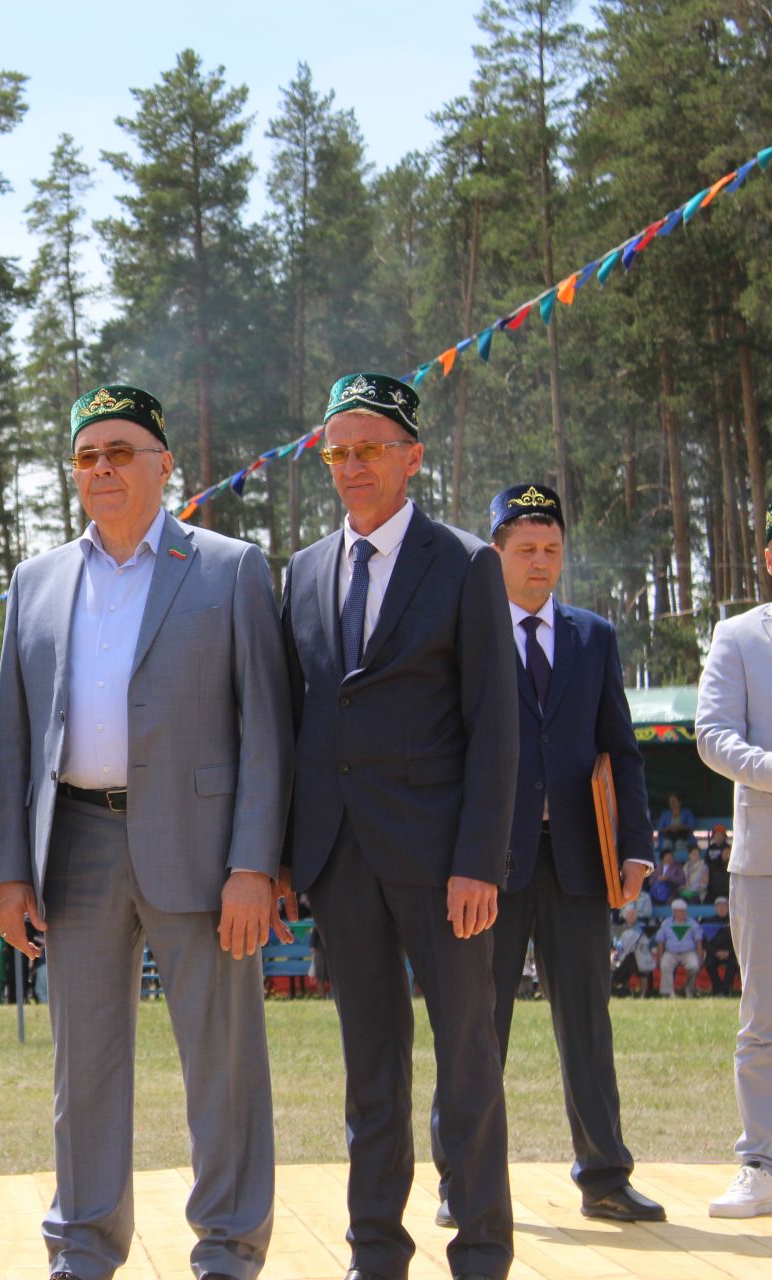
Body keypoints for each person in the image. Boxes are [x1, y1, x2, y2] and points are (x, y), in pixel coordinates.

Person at [0, 383, 292, 1280]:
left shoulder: (231, 567)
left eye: (123, 451)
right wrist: (10, 871)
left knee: (223, 1060)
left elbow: (266, 732)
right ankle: (82, 1246)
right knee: (82, 1065)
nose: (104, 469)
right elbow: (14, 735)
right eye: (88, 455)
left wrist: (253, 865)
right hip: (74, 844)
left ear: (166, 465)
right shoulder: (35, 581)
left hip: (204, 854)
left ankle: (230, 1248)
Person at [278, 372, 517, 1280]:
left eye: (370, 447)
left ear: (412, 457)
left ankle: (483, 1251)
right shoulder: (301, 571)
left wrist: (480, 863)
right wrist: (294, 855)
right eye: (336, 451)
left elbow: (496, 728)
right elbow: (301, 724)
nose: (351, 465)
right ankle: (375, 1251)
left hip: (442, 863)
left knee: (466, 1064)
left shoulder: (464, 563)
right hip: (341, 863)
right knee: (369, 1073)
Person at [426, 484, 662, 1227]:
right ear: (494, 553)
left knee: (588, 1024)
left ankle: (604, 1176)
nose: (539, 563)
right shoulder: (464, 635)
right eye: (524, 548)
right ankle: (460, 1182)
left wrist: (636, 848)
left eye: (552, 549)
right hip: (487, 864)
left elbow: (620, 751)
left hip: (579, 864)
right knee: (474, 1028)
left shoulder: (593, 636)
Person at [696, 491, 772, 1219]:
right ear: (769, 561)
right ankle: (759, 1163)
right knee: (765, 1020)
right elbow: (712, 735)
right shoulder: (738, 635)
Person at [653, 899, 703, 998]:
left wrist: (700, 957)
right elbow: (660, 942)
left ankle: (689, 991)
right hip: (670, 952)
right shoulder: (666, 923)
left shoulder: (692, 923)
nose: (682, 913)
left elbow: (698, 941)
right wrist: (659, 957)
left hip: (688, 952)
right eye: (680, 911)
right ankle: (668, 993)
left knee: (694, 966)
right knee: (665, 965)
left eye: (684, 910)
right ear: (674, 912)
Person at [611, 906, 656, 997]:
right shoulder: (618, 929)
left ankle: (616, 982)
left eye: (633, 914)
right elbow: (616, 945)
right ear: (624, 915)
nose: (632, 916)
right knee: (628, 959)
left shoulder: (642, 928)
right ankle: (620, 985)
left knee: (631, 958)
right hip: (622, 957)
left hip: (641, 957)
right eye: (629, 914)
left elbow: (647, 944)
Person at [705, 898, 738, 996]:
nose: (722, 908)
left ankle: (724, 990)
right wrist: (716, 952)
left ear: (728, 908)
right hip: (715, 952)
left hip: (730, 952)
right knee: (709, 964)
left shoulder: (734, 922)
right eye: (719, 906)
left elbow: (738, 940)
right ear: (716, 908)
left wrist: (729, 952)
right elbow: (705, 942)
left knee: (733, 964)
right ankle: (717, 988)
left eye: (724, 906)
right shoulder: (709, 922)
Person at [654, 794, 697, 859]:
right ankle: (667, 865)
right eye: (670, 802)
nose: (672, 803)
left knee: (679, 844)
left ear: (679, 802)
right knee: (667, 844)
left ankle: (681, 864)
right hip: (669, 837)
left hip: (683, 837)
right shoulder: (665, 814)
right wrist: (670, 828)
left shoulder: (687, 813)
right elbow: (660, 829)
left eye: (674, 801)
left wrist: (680, 827)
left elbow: (692, 825)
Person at [706, 826, 733, 901]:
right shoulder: (711, 848)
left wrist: (720, 860)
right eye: (716, 835)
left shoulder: (728, 847)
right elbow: (707, 863)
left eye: (721, 835)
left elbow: (727, 864)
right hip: (712, 884)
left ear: (724, 837)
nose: (718, 837)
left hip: (725, 883)